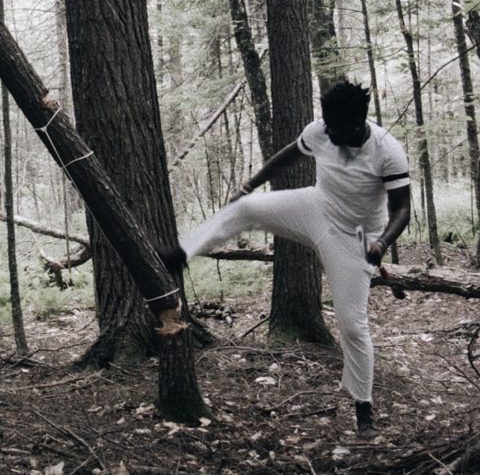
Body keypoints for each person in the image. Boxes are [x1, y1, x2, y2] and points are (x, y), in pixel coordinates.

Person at [163, 81, 411, 438]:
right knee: (246, 207)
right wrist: (249, 185)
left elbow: (402, 209)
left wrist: (383, 243)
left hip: (356, 237)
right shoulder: (321, 131)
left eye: (338, 130)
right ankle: (182, 252)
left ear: (359, 123)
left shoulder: (388, 151)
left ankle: (363, 408)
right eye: (328, 127)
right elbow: (289, 155)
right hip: (316, 207)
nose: (331, 135)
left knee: (353, 326)